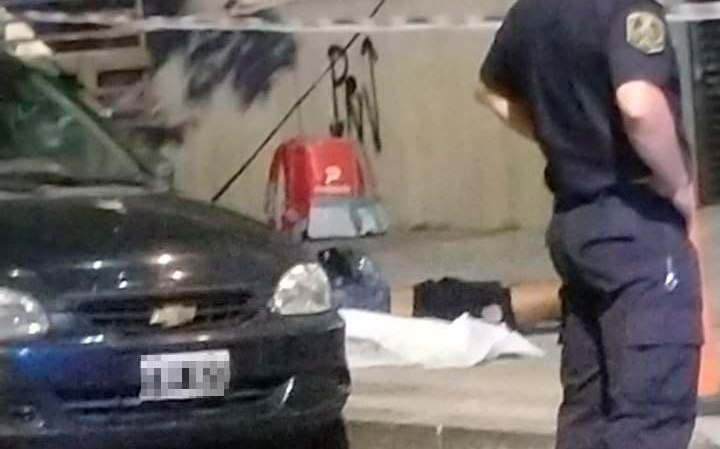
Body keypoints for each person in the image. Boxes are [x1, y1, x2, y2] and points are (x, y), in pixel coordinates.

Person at [476, 0, 703, 448]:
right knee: (650, 417)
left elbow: (491, 91)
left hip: (576, 224)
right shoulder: (629, 8)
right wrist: (679, 183)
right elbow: (639, 105)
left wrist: (558, 141)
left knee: (588, 411)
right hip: (637, 224)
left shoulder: (531, 12)